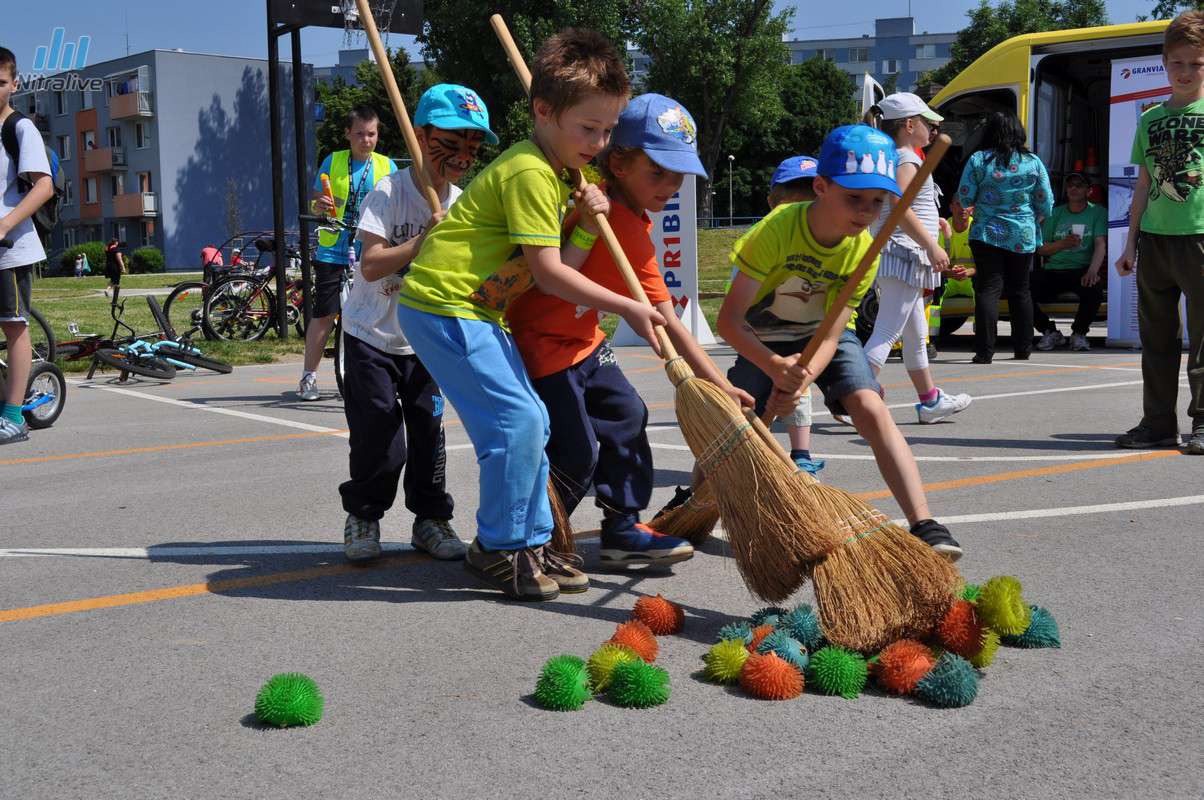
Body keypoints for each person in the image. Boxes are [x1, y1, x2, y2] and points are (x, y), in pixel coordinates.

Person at [396, 28, 664, 601]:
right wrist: (629, 305)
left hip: (479, 311)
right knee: (516, 424)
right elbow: (548, 276)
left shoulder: (557, 173)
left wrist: (590, 223)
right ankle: (497, 547)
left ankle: (532, 540)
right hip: (443, 305)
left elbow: (562, 265)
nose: (597, 142)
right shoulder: (529, 172)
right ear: (543, 111)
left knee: (534, 424)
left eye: (607, 129)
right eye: (587, 129)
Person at [506, 93, 751, 567]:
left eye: (677, 175)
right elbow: (555, 279)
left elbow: (667, 319)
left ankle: (620, 526)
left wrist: (720, 386)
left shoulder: (633, 226)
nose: (670, 185)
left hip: (585, 343)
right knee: (575, 451)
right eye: (657, 172)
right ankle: (531, 534)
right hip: (541, 346)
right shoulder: (595, 211)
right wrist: (719, 382)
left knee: (627, 413)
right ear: (617, 163)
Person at [718, 123, 963, 560]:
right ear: (821, 187)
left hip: (822, 335)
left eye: (878, 201)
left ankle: (925, 522)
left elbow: (834, 330)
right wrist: (775, 365)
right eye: (854, 198)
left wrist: (806, 373)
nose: (867, 212)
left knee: (871, 407)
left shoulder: (861, 253)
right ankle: (694, 499)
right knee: (741, 425)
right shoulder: (776, 230)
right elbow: (729, 321)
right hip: (761, 335)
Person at [340, 84, 496, 562]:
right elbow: (369, 265)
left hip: (426, 339)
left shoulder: (464, 201)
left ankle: (431, 519)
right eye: (452, 139)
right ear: (420, 135)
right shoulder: (389, 192)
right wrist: (422, 241)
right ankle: (363, 517)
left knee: (430, 435)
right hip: (371, 336)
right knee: (382, 440)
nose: (463, 153)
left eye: (474, 144)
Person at [1114, 11, 1204, 454]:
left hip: (1200, 238)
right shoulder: (1150, 119)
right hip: (1154, 240)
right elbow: (1144, 183)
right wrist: (1130, 242)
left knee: (1203, 340)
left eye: (1197, 63)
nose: (1186, 72)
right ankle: (1157, 424)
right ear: (1164, 63)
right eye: (1178, 63)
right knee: (1157, 341)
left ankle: (1203, 423)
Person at [862, 93, 971, 424]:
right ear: (909, 125)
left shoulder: (897, 157)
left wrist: (934, 220)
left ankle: (930, 400)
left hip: (902, 253)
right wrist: (932, 245)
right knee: (887, 332)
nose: (934, 129)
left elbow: (903, 204)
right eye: (928, 122)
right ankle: (852, 397)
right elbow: (901, 206)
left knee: (914, 332)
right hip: (906, 254)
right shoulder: (906, 158)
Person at [725, 155, 827, 474]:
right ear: (771, 203)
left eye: (808, 200)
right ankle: (739, 455)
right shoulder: (760, 238)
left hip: (797, 334)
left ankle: (801, 454)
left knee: (797, 389)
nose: (798, 208)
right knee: (743, 399)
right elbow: (737, 301)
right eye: (789, 200)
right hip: (757, 340)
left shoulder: (823, 241)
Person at [299, 104, 396, 401]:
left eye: (371, 134)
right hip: (333, 249)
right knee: (325, 315)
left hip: (370, 251)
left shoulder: (386, 165)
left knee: (377, 313)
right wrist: (319, 206)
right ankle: (308, 377)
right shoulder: (333, 161)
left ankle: (378, 376)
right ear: (347, 134)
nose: (366, 140)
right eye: (359, 134)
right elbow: (316, 200)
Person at [957, 110, 1053, 363]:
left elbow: (965, 197)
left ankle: (984, 352)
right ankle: (1023, 349)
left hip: (986, 233)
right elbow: (1046, 204)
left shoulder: (978, 160)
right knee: (1020, 291)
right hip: (1022, 234)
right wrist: (1031, 222)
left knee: (988, 290)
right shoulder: (1032, 162)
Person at [0, 46, 54, 446]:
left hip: (10, 248)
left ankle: (14, 417)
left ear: (14, 84)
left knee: (13, 328)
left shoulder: (19, 129)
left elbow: (43, 186)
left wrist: (4, 224)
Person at [1033, 171, 1107, 352]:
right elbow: (1041, 249)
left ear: (1089, 191)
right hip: (1053, 270)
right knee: (1018, 290)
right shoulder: (1054, 214)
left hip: (1081, 269)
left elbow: (1100, 244)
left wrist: (1092, 271)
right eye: (1071, 185)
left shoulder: (1098, 212)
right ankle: (1049, 332)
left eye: (1079, 185)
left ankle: (1079, 334)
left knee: (1094, 288)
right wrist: (1063, 243)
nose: (1073, 188)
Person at [930, 197, 976, 339]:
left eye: (966, 205)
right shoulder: (942, 229)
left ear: (972, 209)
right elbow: (934, 263)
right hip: (950, 279)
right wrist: (950, 273)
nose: (962, 208)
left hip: (971, 279)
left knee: (984, 291)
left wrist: (970, 271)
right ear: (951, 207)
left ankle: (981, 338)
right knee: (934, 289)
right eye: (958, 204)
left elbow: (987, 264)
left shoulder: (978, 228)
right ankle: (931, 339)